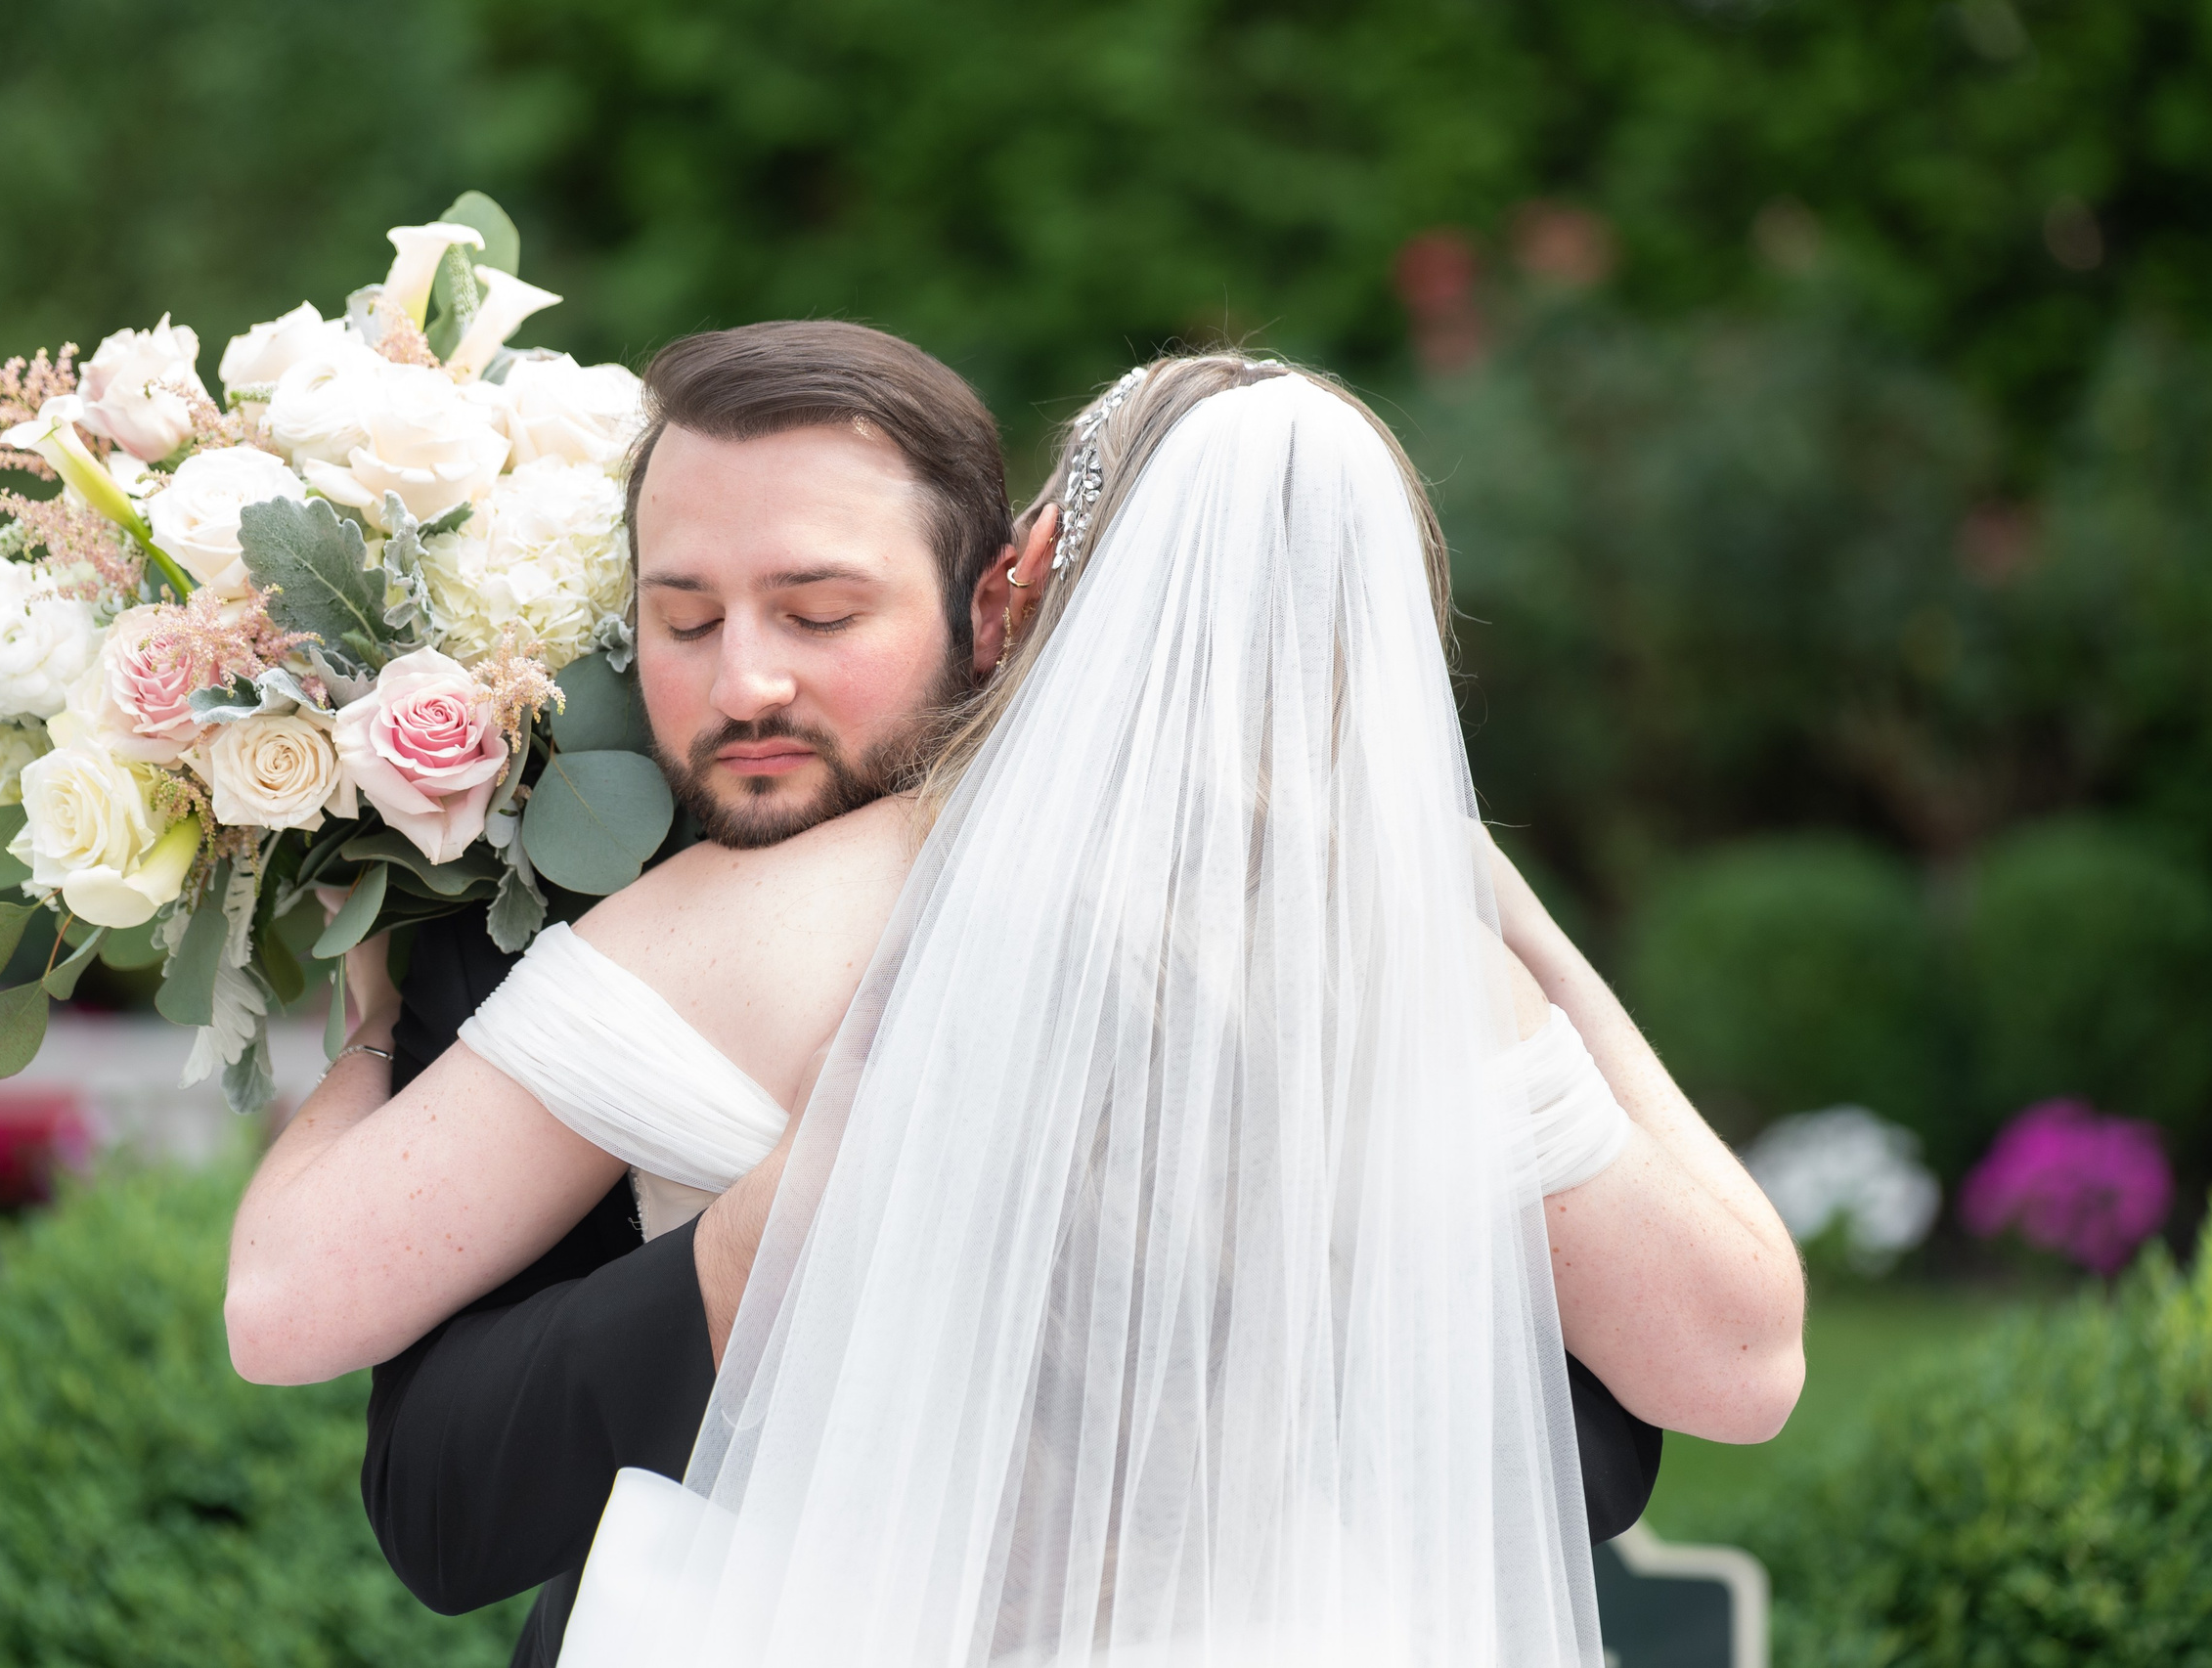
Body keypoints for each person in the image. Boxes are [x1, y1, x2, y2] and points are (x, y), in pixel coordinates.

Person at [223, 329, 1797, 1662]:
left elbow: (287, 1304)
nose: (748, 671)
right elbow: (1741, 1364)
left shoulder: (745, 920)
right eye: (691, 616)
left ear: (1017, 577)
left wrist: (373, 1012)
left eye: (820, 612)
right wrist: (1516, 930)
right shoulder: (1427, 987)